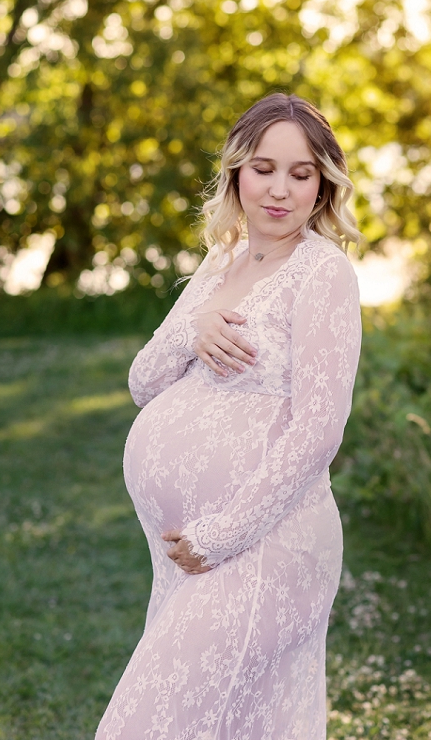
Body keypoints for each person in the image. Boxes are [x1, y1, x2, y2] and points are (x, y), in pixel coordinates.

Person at [97, 93, 364, 738]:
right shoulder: (222, 262)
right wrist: (194, 325)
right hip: (189, 554)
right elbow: (142, 381)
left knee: (145, 725)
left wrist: (222, 535)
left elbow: (319, 429)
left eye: (302, 174)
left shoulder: (322, 274)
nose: (280, 190)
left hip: (265, 545)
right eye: (264, 169)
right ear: (237, 172)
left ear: (322, 187)